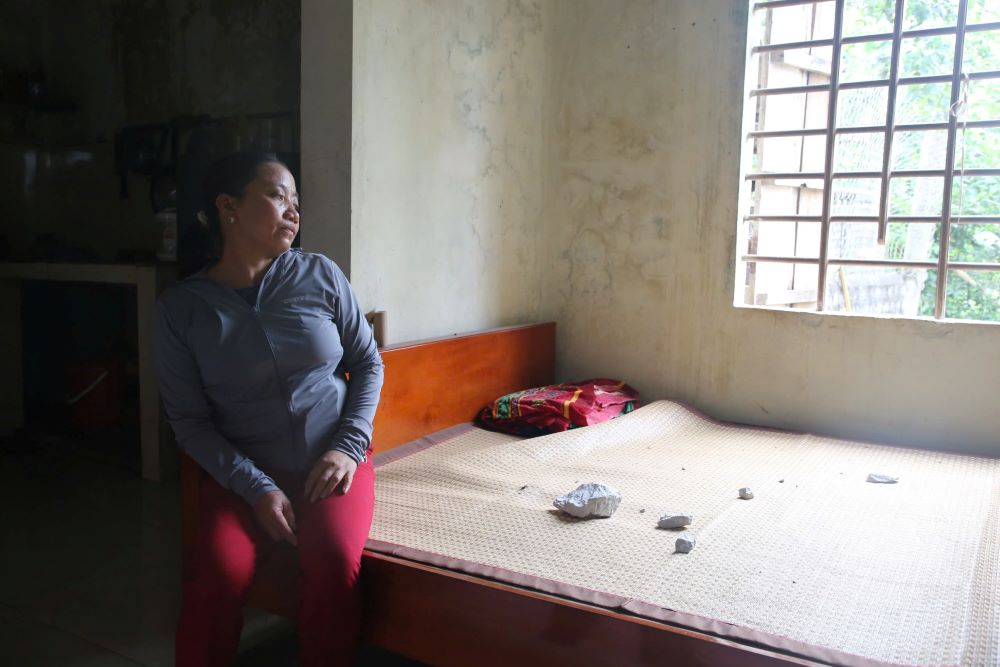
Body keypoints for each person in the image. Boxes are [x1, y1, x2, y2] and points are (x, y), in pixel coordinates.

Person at [154, 152, 383, 667]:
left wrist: (348, 447)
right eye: (278, 196)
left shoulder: (320, 274)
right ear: (229, 207)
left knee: (332, 563)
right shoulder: (182, 309)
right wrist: (255, 487)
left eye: (296, 200)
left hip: (331, 464)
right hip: (241, 478)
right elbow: (189, 423)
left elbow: (368, 363)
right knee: (217, 574)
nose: (293, 211)